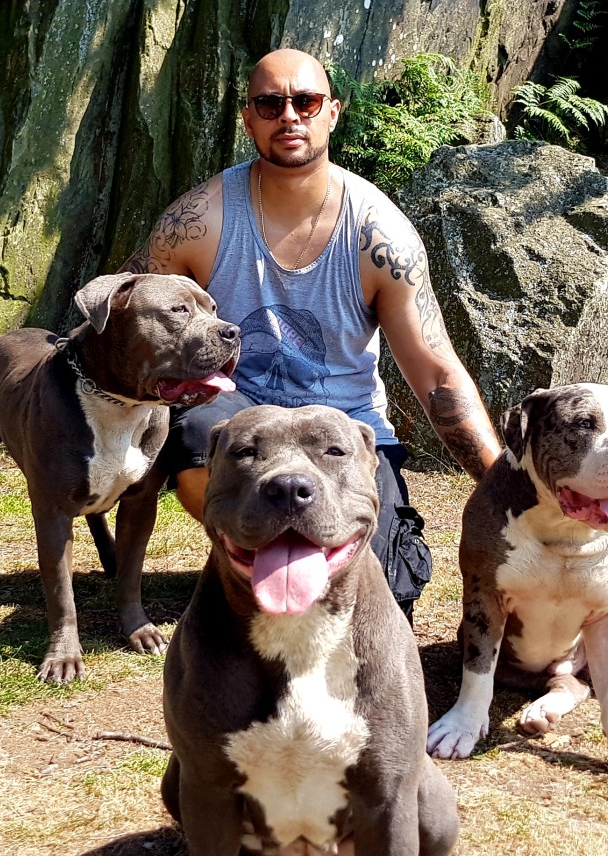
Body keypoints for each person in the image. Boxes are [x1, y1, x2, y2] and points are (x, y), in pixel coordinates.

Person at [123, 48, 502, 618]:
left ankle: (297, 559)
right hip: (243, 423)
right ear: (248, 118)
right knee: (198, 423)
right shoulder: (196, 223)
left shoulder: (380, 237)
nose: (289, 116)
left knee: (387, 591)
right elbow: (129, 318)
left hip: (345, 428)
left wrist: (501, 486)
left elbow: (434, 369)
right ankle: (246, 553)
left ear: (332, 113)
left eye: (306, 101)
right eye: (270, 104)